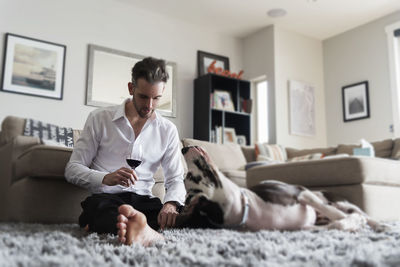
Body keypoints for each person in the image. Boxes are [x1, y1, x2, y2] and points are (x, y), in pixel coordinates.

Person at [65, 57, 186, 242]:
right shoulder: (99, 119)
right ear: (131, 88)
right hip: (107, 199)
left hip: (145, 202)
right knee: (104, 212)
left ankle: (139, 228)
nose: (150, 105)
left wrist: (170, 204)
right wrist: (105, 178)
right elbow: (72, 169)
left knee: (188, 215)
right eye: (144, 97)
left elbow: (175, 179)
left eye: (156, 98)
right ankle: (146, 231)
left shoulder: (168, 130)